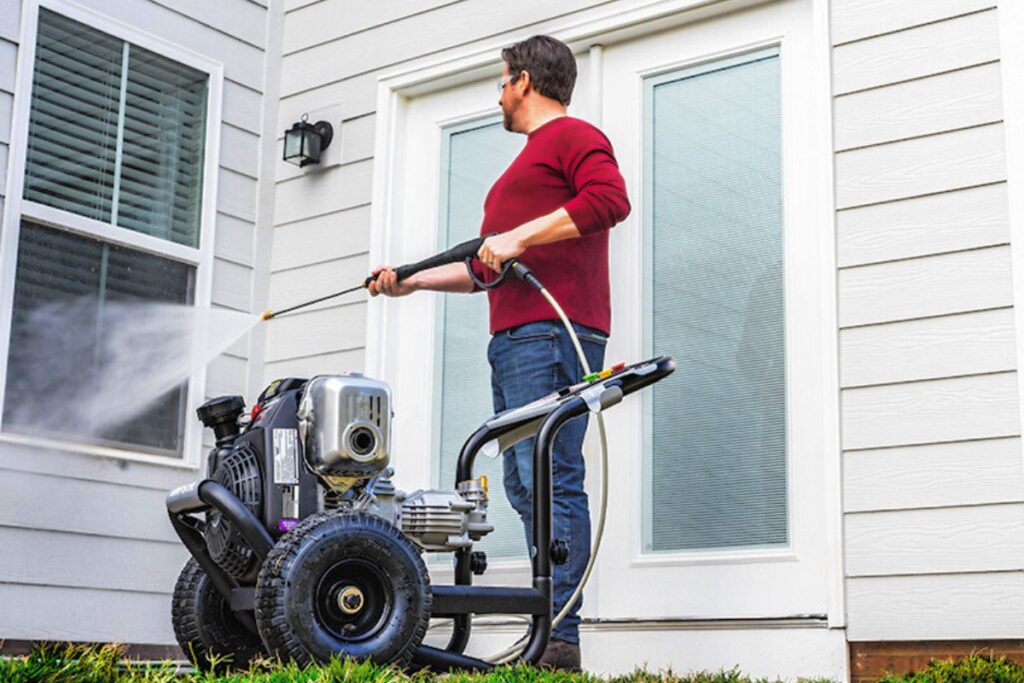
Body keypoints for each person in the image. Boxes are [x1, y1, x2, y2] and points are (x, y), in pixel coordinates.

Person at [369, 34, 630, 670]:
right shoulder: (523, 170)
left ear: (523, 81)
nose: (499, 94)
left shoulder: (572, 137)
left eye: (502, 81)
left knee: (551, 476)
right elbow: (488, 269)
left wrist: (516, 236)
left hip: (551, 332)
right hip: (515, 337)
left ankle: (560, 635)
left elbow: (609, 201)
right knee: (523, 481)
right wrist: (412, 282)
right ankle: (553, 626)